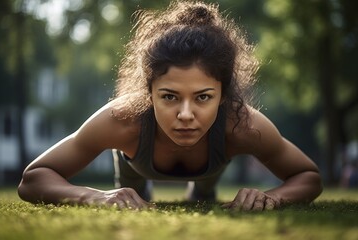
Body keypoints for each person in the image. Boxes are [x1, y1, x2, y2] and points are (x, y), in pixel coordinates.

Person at [18, 1, 323, 211]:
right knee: (133, 196)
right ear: (149, 93)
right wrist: (93, 196)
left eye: (203, 97)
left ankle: (201, 190)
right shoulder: (124, 119)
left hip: (211, 166)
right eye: (169, 96)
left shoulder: (240, 123)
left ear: (224, 94)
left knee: (203, 196)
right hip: (134, 169)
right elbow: (33, 179)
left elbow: (309, 177)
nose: (186, 115)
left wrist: (272, 197)